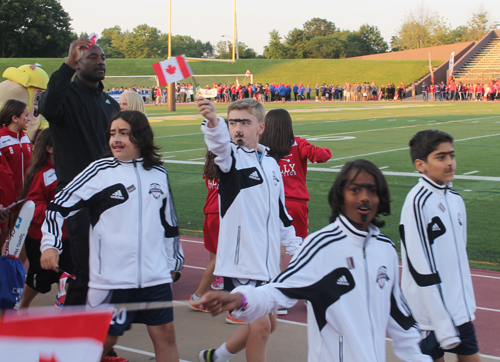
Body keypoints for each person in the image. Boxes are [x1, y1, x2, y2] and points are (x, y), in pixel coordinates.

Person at [198, 159, 432, 362]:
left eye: (372, 191)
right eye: (355, 190)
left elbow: (400, 319)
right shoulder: (322, 246)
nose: (364, 198)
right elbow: (278, 290)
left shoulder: (385, 249)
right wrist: (240, 298)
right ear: (340, 196)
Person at [40, 110, 184, 362]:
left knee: (166, 334)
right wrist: (50, 245)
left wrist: (173, 263)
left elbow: (169, 223)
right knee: (103, 341)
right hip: (111, 280)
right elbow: (57, 207)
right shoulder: (99, 171)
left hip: (155, 277)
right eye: (112, 133)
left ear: (141, 137)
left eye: (124, 133)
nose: (116, 139)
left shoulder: (158, 173)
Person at [196, 97, 302, 362]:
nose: (238, 128)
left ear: (261, 127)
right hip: (242, 264)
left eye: (245, 122)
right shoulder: (230, 160)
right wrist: (212, 122)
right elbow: (219, 146)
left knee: (270, 324)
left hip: (267, 265)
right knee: (262, 327)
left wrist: (297, 250)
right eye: (233, 122)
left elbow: (282, 214)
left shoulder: (270, 164)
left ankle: (218, 356)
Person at [38, 38, 123, 361]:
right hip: (77, 200)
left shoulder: (110, 105)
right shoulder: (65, 97)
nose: (100, 61)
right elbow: (47, 107)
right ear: (78, 61)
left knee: (108, 272)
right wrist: (67, 64)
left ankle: (97, 342)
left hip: (109, 201)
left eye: (102, 57)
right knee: (86, 272)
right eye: (93, 57)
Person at [399, 130, 480, 362]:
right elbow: (418, 265)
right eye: (441, 157)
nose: (450, 163)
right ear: (420, 165)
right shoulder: (417, 201)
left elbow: (459, 255)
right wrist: (440, 317)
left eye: (451, 156)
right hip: (428, 313)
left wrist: (464, 302)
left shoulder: (455, 199)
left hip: (458, 307)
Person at [11, 129, 73, 309]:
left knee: (68, 274)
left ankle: (64, 307)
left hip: (66, 236)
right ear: (49, 148)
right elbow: (32, 205)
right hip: (40, 238)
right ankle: (22, 306)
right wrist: (54, 212)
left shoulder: (67, 169)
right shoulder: (41, 174)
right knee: (39, 280)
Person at [189, 150, 223, 311]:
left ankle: (217, 280)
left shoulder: (209, 167)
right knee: (222, 255)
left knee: (215, 251)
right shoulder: (225, 166)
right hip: (221, 214)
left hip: (210, 212)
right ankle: (198, 296)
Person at [0, 99, 32, 248]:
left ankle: (14, 270)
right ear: (14, 118)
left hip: (24, 199)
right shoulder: (1, 138)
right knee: (3, 239)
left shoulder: (25, 137)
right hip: (5, 202)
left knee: (20, 239)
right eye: (26, 115)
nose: (29, 119)